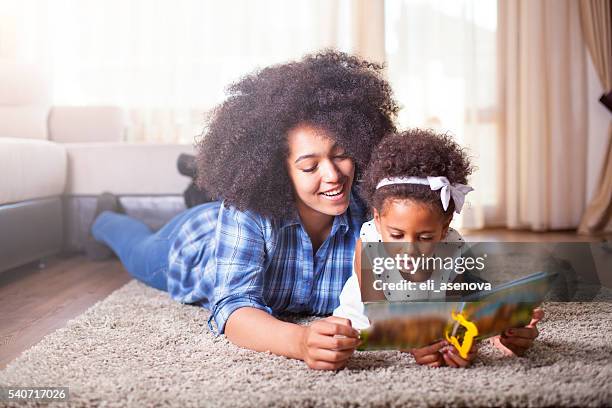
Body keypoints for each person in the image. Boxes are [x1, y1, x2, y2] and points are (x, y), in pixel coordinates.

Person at [88, 50, 399, 370]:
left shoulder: (375, 215)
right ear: (279, 171)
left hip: (234, 216)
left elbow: (409, 294)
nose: (333, 175)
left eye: (341, 155)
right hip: (197, 241)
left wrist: (433, 335)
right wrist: (301, 341)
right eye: (309, 167)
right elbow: (234, 306)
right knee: (135, 246)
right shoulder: (248, 211)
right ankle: (104, 216)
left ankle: (196, 184)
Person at [333, 129, 543, 368]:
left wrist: (459, 343)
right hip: (367, 328)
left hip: (429, 325)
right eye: (396, 235)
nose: (409, 249)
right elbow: (380, 317)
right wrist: (412, 342)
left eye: (424, 236)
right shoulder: (369, 243)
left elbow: (453, 311)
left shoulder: (452, 248)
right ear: (378, 219)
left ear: (444, 229)